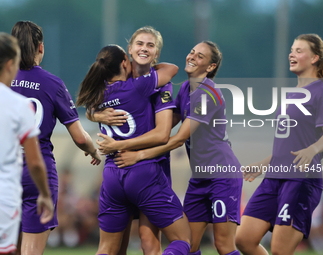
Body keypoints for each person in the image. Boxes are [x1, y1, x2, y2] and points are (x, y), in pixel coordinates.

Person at [99, 41, 243, 255]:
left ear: (211, 67)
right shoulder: (186, 88)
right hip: (199, 177)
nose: (192, 57)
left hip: (223, 176)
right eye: (192, 51)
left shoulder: (206, 94)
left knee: (223, 245)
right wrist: (102, 115)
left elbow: (176, 139)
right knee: (191, 244)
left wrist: (138, 155)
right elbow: (165, 123)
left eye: (200, 56)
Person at [76, 44, 191, 255]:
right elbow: (172, 69)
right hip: (143, 170)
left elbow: (88, 107)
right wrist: (148, 62)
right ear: (124, 62)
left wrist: (94, 114)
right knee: (182, 240)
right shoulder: (141, 86)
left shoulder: (99, 92)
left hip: (112, 175)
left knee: (109, 248)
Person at [235, 34, 323, 255]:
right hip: (274, 177)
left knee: (280, 250)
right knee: (244, 239)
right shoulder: (291, 95)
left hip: (301, 180)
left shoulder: (322, 92)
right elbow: (289, 144)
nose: (292, 54)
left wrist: (313, 150)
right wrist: (263, 163)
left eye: (299, 50)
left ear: (314, 58)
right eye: (292, 49)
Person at [10, 21, 101, 255]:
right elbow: (80, 138)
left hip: (5, 170)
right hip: (36, 171)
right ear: (41, 48)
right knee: (31, 250)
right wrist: (92, 151)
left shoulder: (3, 82)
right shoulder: (53, 84)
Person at [0, 32, 54, 255]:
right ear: (11, 64)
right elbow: (34, 162)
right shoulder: (19, 105)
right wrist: (45, 193)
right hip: (5, 194)